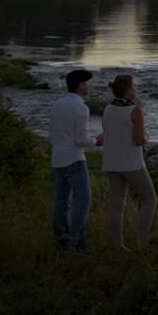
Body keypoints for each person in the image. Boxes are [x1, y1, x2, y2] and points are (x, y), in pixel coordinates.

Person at [100, 73, 157, 250]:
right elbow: (139, 140)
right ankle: (143, 242)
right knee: (150, 199)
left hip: (111, 162)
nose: (136, 89)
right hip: (132, 163)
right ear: (128, 90)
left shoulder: (108, 109)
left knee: (117, 206)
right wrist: (147, 137)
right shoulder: (135, 110)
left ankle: (117, 245)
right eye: (134, 86)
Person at [49, 67, 93, 249]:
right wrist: (96, 141)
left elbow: (50, 136)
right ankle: (76, 239)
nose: (88, 86)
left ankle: (60, 237)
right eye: (86, 83)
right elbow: (81, 140)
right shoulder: (81, 108)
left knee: (61, 200)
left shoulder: (57, 104)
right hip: (74, 158)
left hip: (57, 157)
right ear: (80, 85)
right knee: (83, 199)